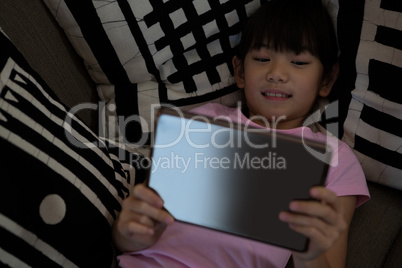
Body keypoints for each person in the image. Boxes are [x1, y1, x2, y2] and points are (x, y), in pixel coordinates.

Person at [112, 0, 370, 267]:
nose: (277, 74)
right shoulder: (205, 122)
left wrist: (309, 248)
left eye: (298, 62)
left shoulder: (336, 159)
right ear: (239, 71)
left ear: (327, 79)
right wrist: (127, 230)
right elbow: (132, 235)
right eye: (262, 59)